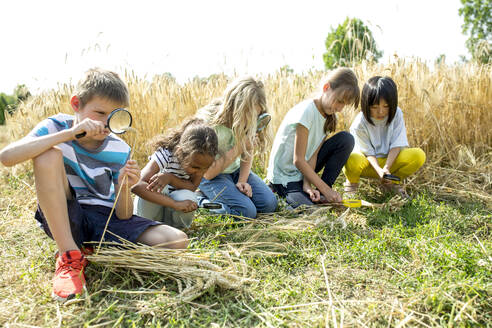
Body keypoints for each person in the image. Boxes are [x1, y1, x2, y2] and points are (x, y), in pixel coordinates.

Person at [0, 68, 188, 301]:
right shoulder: (55, 127)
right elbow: (7, 157)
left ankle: (91, 249)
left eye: (114, 115)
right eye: (99, 113)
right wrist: (69, 134)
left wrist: (123, 187)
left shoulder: (119, 148)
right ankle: (69, 255)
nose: (106, 123)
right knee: (47, 154)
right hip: (68, 215)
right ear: (76, 104)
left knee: (176, 240)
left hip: (105, 218)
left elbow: (124, 213)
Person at [267, 68, 360, 208]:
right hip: (284, 176)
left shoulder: (328, 118)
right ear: (326, 87)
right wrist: (326, 190)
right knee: (308, 210)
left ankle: (316, 192)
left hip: (301, 173)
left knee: (346, 139)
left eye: (344, 105)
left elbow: (312, 156)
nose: (340, 108)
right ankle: (277, 191)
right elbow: (298, 160)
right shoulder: (307, 111)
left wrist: (307, 185)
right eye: (339, 101)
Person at [195, 76, 278, 218]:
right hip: (209, 176)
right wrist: (239, 147)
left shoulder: (248, 120)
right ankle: (199, 199)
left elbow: (248, 151)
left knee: (269, 204)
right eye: (250, 115)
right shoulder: (209, 125)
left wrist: (242, 181)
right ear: (237, 107)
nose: (252, 120)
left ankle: (229, 193)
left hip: (234, 170)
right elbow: (208, 173)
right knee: (246, 212)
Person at [343, 76, 426, 198]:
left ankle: (390, 183)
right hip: (367, 164)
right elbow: (368, 152)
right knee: (351, 158)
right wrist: (379, 170)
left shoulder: (397, 114)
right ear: (366, 104)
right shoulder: (359, 122)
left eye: (386, 106)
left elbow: (397, 144)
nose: (381, 112)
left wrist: (386, 169)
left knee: (418, 155)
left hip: (390, 163)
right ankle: (352, 185)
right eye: (375, 107)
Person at [132, 118, 218, 229]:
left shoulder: (200, 163)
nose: (199, 172)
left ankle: (177, 230)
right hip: (150, 213)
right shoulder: (166, 155)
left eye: (205, 168)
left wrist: (170, 178)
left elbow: (192, 187)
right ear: (179, 152)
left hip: (171, 211)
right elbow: (136, 185)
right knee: (157, 185)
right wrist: (174, 204)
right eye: (195, 167)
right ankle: (146, 228)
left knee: (188, 197)